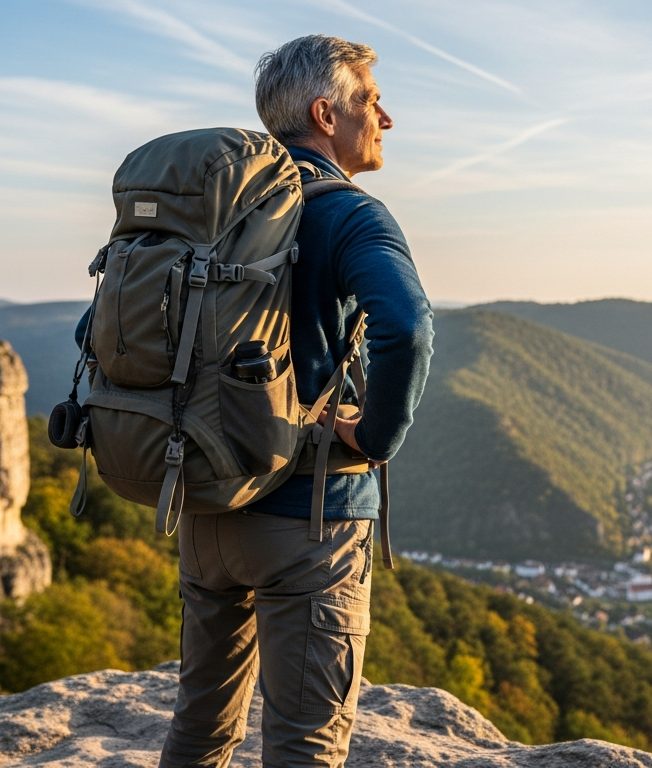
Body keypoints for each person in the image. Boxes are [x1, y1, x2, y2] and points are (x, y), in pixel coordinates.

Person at [159, 35, 433, 768]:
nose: (387, 118)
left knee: (199, 726)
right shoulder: (350, 214)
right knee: (304, 746)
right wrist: (374, 439)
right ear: (326, 114)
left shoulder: (208, 210)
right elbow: (407, 330)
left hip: (206, 504)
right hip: (309, 518)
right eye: (372, 102)